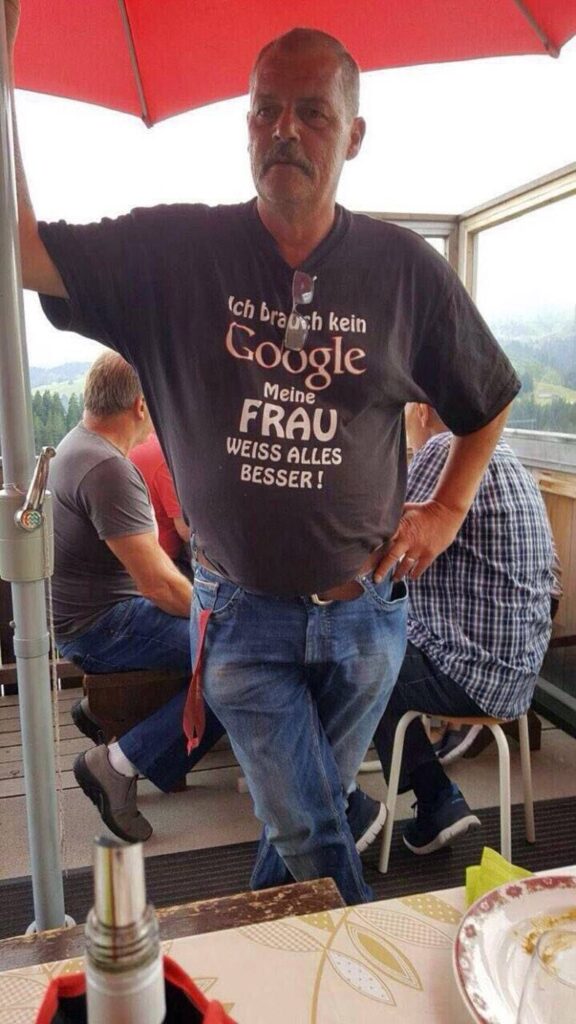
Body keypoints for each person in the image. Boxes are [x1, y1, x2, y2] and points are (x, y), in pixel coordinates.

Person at [6, 5, 521, 905]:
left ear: (353, 135)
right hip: (241, 619)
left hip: (366, 619)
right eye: (265, 109)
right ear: (246, 125)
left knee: (296, 827)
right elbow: (25, 251)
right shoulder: (176, 254)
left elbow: (491, 395)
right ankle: (366, 965)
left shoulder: (404, 271)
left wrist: (447, 507)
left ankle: (248, 950)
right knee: (315, 828)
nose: (285, 128)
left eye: (312, 112)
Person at [51, 351, 225, 842]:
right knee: (238, 663)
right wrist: (217, 614)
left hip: (86, 619)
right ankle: (117, 764)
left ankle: (109, 717)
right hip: (103, 628)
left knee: (226, 646)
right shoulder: (107, 467)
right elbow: (158, 585)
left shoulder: (77, 445)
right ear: (142, 405)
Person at [373, 403, 554, 855]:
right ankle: (432, 794)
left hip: (474, 676)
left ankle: (428, 801)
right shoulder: (511, 460)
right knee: (375, 651)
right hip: (522, 675)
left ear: (421, 410)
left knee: (358, 663)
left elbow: (383, 549)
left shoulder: (441, 450)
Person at [129, 431, 192, 575]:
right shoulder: (165, 457)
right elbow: (185, 531)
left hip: (132, 556)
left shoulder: (143, 439)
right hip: (163, 561)